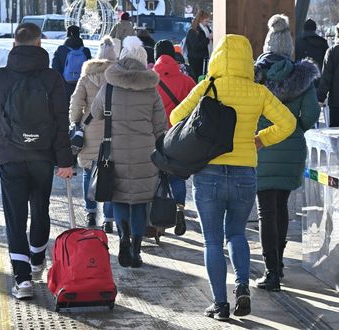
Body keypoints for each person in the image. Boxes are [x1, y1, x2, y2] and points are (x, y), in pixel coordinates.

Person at [170, 34, 296, 320]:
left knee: (212, 241)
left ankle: (220, 304)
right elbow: (287, 123)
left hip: (209, 172)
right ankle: (242, 286)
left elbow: (175, 117)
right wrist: (261, 139)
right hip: (244, 173)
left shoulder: (208, 87)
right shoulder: (257, 91)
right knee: (237, 233)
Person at [0, 23, 74, 299]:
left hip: (10, 157)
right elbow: (60, 123)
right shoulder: (52, 79)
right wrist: (65, 161)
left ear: (14, 44)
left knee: (15, 217)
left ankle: (22, 280)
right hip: (42, 156)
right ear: (39, 44)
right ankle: (36, 260)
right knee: (40, 209)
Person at [255, 14, 320, 292]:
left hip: (260, 147)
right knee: (282, 208)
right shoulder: (302, 75)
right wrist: (295, 130)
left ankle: (270, 272)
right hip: (291, 149)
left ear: (267, 45)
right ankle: (279, 265)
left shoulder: (254, 74)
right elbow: (313, 114)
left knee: (265, 211)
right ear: (289, 47)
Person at [91, 36, 167, 268]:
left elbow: (95, 113)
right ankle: (136, 247)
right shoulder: (151, 90)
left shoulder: (109, 87)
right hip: (146, 155)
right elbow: (160, 126)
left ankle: (123, 239)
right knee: (140, 202)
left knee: (121, 198)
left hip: (116, 153)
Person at [69, 36, 117, 233]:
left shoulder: (86, 76)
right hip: (113, 130)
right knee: (111, 172)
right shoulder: (118, 75)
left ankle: (90, 212)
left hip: (89, 129)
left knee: (89, 171)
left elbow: (76, 102)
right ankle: (108, 218)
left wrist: (76, 122)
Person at [153, 39, 196, 236]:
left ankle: (157, 220)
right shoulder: (187, 81)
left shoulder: (149, 79)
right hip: (179, 137)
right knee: (177, 176)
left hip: (156, 136)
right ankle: (179, 209)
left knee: (157, 178)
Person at [52, 25, 92, 104]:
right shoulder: (86, 51)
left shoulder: (61, 49)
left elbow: (55, 68)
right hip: (82, 86)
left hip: (64, 87)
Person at [317, 23, 339, 127]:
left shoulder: (332, 51)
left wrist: (320, 98)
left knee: (335, 138)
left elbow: (326, 77)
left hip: (336, 102)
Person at [185, 10, 212, 80]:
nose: (207, 24)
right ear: (200, 20)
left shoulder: (207, 30)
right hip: (196, 61)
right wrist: (208, 39)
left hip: (205, 59)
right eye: (206, 21)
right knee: (197, 79)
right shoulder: (193, 31)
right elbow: (196, 47)